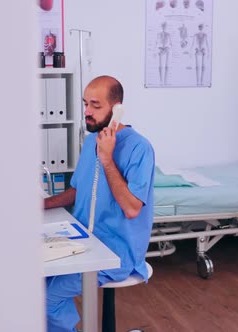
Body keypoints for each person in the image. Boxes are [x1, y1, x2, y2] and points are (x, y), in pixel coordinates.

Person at [44, 75, 155, 332]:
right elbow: (77, 190)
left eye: (95, 105)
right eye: (85, 104)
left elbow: (131, 208)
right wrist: (42, 204)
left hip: (116, 252)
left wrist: (107, 158)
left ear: (117, 108)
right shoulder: (92, 139)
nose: (86, 112)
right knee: (34, 281)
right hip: (81, 240)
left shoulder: (140, 148)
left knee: (46, 300)